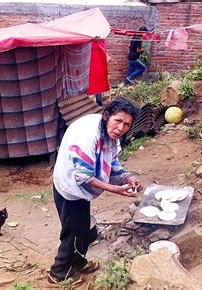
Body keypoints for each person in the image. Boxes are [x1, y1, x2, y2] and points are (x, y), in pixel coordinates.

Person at [48, 96, 143, 285]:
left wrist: (127, 177)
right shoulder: (87, 137)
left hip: (83, 190)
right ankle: (57, 274)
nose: (121, 128)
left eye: (126, 124)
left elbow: (112, 161)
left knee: (83, 228)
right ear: (107, 115)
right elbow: (82, 177)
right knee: (72, 232)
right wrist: (115, 189)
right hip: (69, 188)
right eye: (118, 121)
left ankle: (79, 263)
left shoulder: (110, 134)